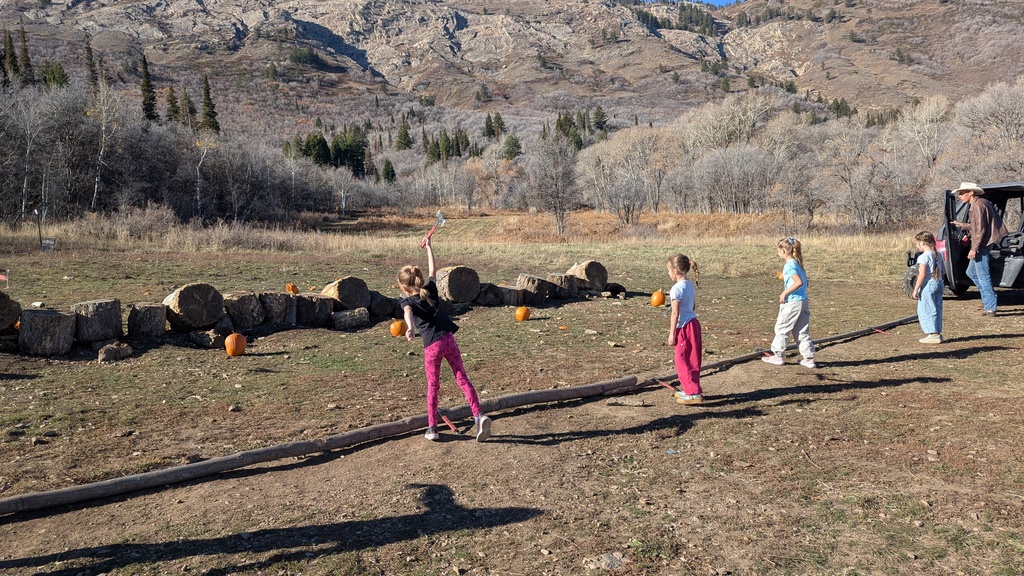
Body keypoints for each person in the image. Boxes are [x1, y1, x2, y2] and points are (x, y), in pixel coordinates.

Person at [398, 236, 491, 441]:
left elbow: (407, 313)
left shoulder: (406, 301)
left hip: (431, 346)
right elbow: (433, 270)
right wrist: (429, 246)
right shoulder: (430, 290)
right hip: (449, 339)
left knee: (433, 386)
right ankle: (479, 415)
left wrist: (411, 328)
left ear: (404, 287)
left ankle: (432, 428)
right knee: (462, 377)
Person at [950, 182, 1008, 316]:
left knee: (983, 276)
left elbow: (980, 230)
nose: (960, 196)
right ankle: (988, 299)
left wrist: (974, 249)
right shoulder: (980, 203)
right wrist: (962, 225)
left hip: (983, 243)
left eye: (962, 193)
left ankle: (990, 307)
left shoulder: (978, 205)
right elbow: (977, 225)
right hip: (985, 241)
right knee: (971, 272)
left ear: (971, 193)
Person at [763, 237, 816, 368]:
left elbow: (799, 282)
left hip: (793, 302)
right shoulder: (798, 263)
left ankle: (778, 355)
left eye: (778, 250)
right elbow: (806, 283)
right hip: (803, 301)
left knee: (782, 328)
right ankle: (809, 358)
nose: (777, 252)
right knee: (801, 331)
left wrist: (785, 293)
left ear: (784, 251)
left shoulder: (789, 265)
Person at [665, 254, 703, 405]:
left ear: (675, 271)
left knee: (682, 360)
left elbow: (675, 313)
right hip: (694, 324)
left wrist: (671, 334)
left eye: (668, 270)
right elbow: (693, 306)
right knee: (693, 358)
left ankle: (693, 393)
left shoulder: (676, 289)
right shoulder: (689, 284)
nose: (668, 274)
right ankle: (690, 389)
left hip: (684, 328)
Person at [913, 231, 944, 344]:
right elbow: (943, 271)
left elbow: (921, 275)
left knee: (926, 309)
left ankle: (933, 334)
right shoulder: (938, 254)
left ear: (922, 243)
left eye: (917, 243)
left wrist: (916, 289)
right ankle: (937, 332)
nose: (917, 246)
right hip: (939, 283)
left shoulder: (923, 257)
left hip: (928, 285)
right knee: (936, 307)